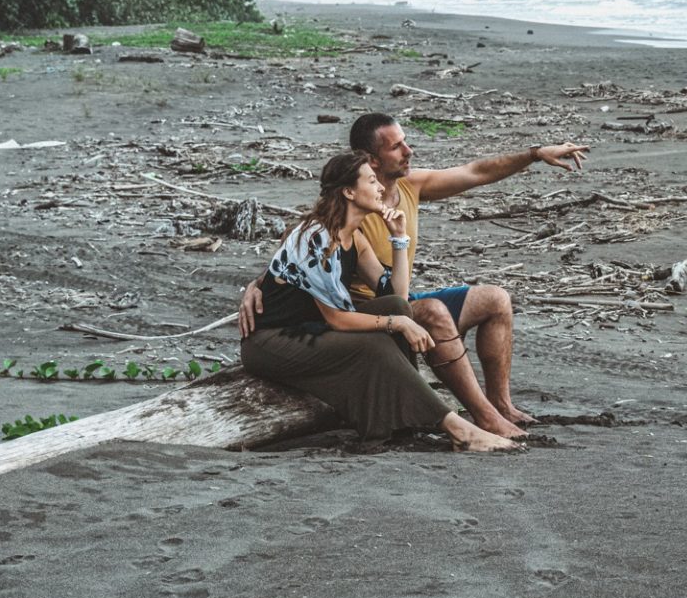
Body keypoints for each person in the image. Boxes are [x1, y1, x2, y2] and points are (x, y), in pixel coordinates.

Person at [240, 114, 590, 426]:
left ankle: (501, 405)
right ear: (371, 161)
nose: (409, 151)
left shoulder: (410, 186)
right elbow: (298, 259)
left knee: (496, 299)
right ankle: (482, 417)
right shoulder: (350, 209)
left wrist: (534, 154)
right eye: (397, 147)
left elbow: (476, 172)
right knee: (434, 312)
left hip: (397, 295)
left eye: (406, 141)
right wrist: (255, 285)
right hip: (364, 311)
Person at [239, 150, 520, 452]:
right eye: (371, 181)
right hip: (272, 341)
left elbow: (397, 297)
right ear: (349, 191)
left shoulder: (354, 238)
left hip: (313, 328)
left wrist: (399, 239)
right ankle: (458, 429)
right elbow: (337, 319)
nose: (380, 188)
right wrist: (396, 324)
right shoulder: (315, 239)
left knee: (398, 309)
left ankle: (400, 424)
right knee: (375, 341)